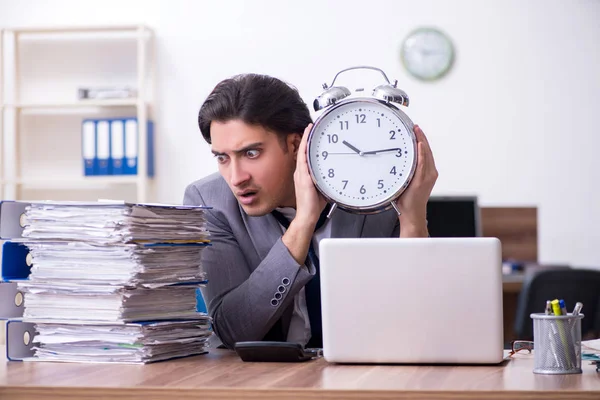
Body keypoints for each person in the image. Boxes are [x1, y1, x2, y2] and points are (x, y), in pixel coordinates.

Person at [184, 73, 438, 349]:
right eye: (222, 158)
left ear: (294, 145)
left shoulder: (376, 191)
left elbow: (416, 321)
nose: (235, 177)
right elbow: (233, 330)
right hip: (261, 381)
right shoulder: (209, 201)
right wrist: (303, 223)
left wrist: (412, 220)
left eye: (251, 154)